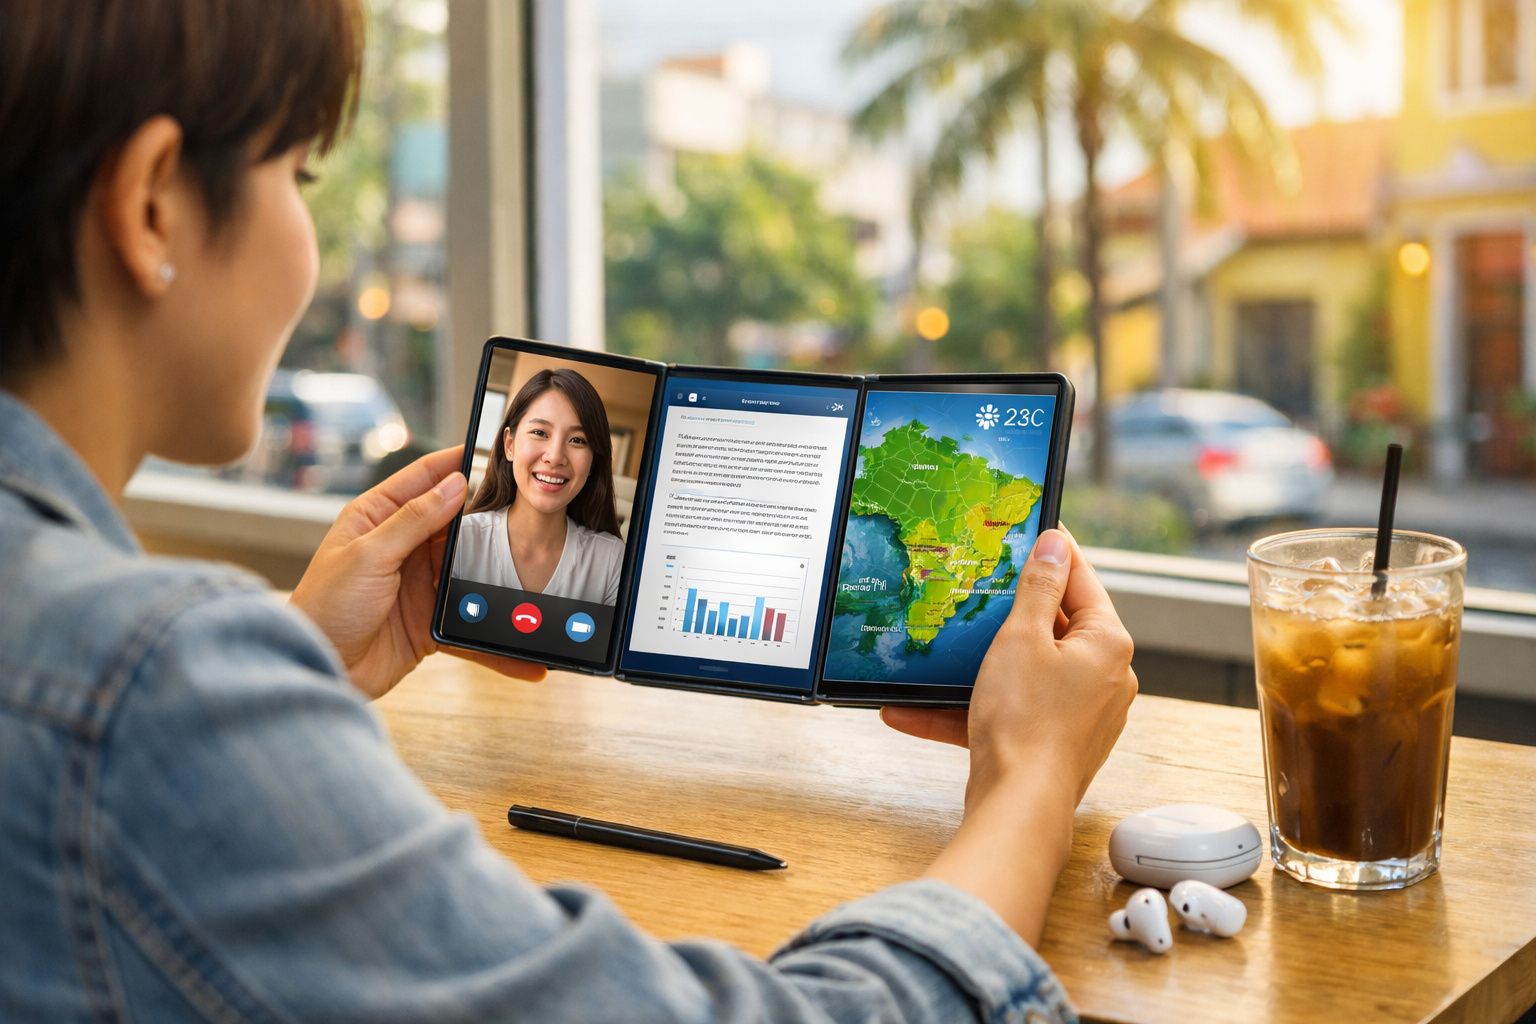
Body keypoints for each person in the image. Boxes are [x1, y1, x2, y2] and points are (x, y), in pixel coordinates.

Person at [0, 1, 1137, 1021]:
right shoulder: (137, 691)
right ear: (153, 205)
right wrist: (1030, 780)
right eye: (298, 173)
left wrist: (297, 668)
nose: (309, 237)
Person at [453, 368, 626, 605]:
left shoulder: (612, 561)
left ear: (593, 460)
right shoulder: (461, 540)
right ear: (510, 444)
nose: (555, 457)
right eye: (540, 433)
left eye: (577, 440)